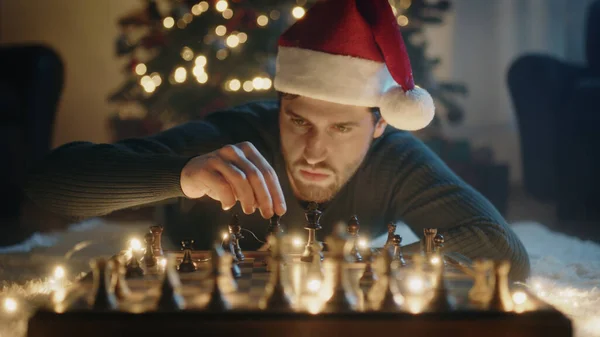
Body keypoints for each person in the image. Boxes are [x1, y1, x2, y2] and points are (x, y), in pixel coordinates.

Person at [24, 0, 529, 281]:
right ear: (279, 107)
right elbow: (48, 184)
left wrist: (363, 266)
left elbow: (502, 249)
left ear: (380, 126)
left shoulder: (395, 157)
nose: (313, 150)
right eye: (299, 121)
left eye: (343, 129)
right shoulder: (234, 136)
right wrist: (182, 174)